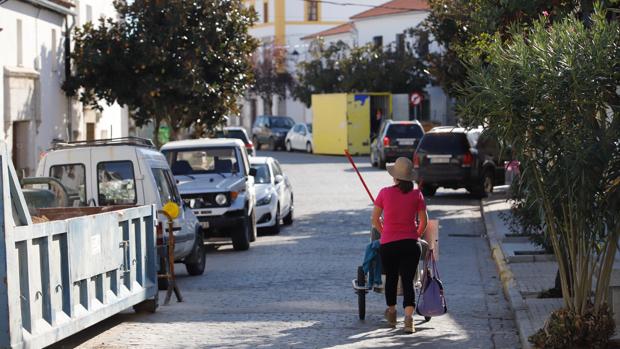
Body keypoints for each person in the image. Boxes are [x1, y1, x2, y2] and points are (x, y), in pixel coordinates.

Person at [371, 157, 428, 333]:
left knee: (392, 280)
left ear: (395, 177)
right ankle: (409, 320)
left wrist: (385, 232)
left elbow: (374, 220)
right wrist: (415, 236)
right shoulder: (417, 194)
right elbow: (424, 222)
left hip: (388, 245)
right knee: (409, 282)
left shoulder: (384, 193)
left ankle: (392, 313)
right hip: (410, 245)